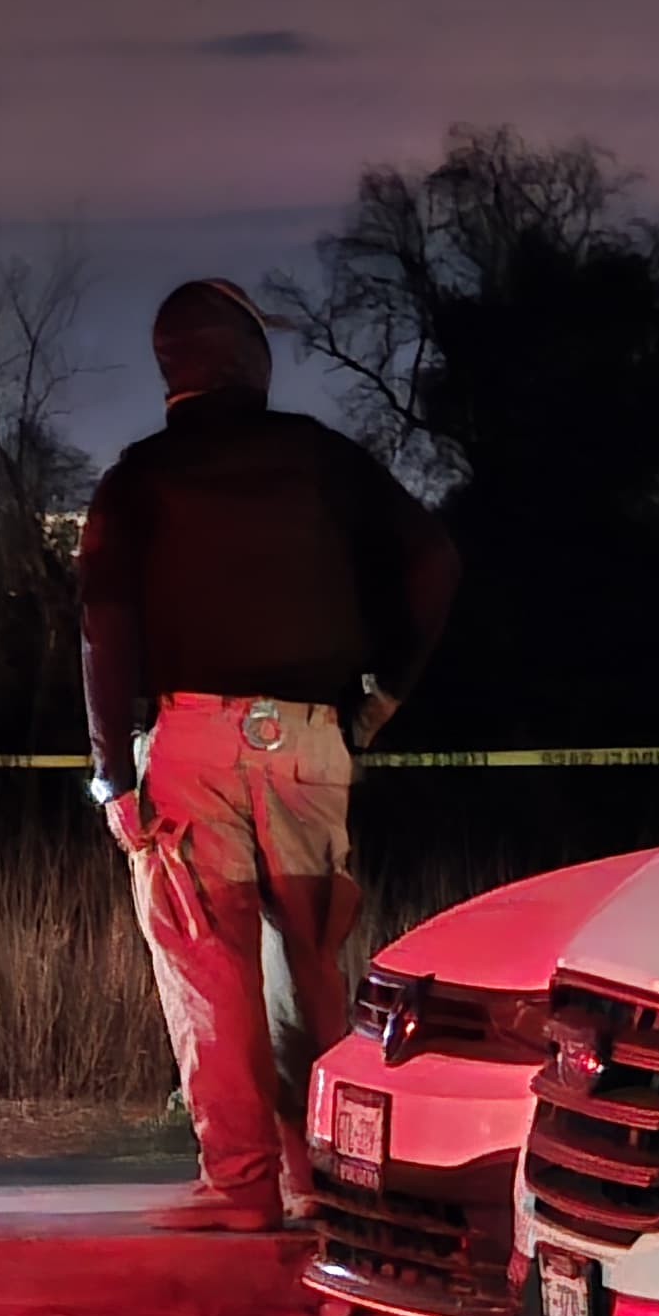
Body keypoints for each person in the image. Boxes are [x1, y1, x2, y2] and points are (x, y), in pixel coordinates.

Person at [76, 279, 461, 1232]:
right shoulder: (327, 461)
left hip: (193, 740)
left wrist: (113, 775)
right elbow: (437, 560)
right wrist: (386, 693)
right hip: (313, 740)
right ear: (254, 360)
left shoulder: (137, 478)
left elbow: (104, 625)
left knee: (209, 961)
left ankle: (241, 1186)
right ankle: (324, 1181)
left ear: (171, 369)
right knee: (312, 962)